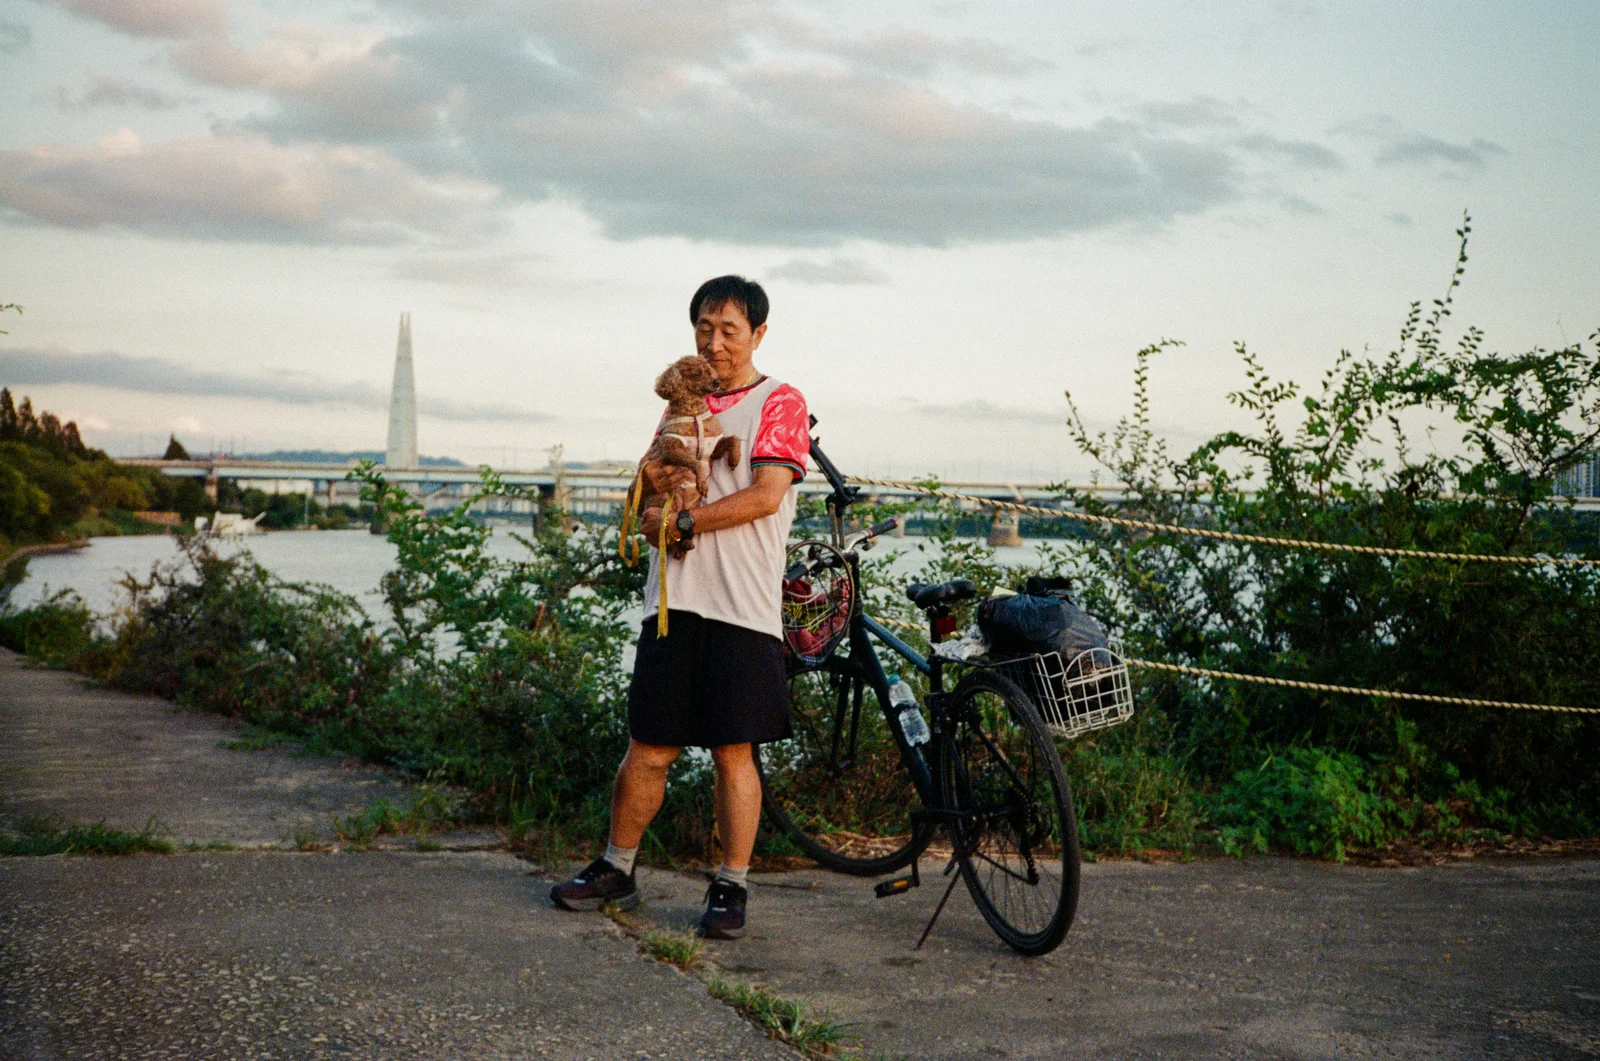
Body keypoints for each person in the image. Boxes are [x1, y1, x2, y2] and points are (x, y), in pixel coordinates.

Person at [551, 275, 809, 939]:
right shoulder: (678, 407)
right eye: (704, 327)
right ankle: (617, 866)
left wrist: (687, 526)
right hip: (672, 603)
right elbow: (644, 508)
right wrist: (652, 499)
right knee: (650, 746)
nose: (715, 341)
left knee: (733, 752)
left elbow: (765, 495)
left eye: (729, 329)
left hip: (743, 607)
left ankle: (732, 884)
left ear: (757, 333)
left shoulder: (779, 401)